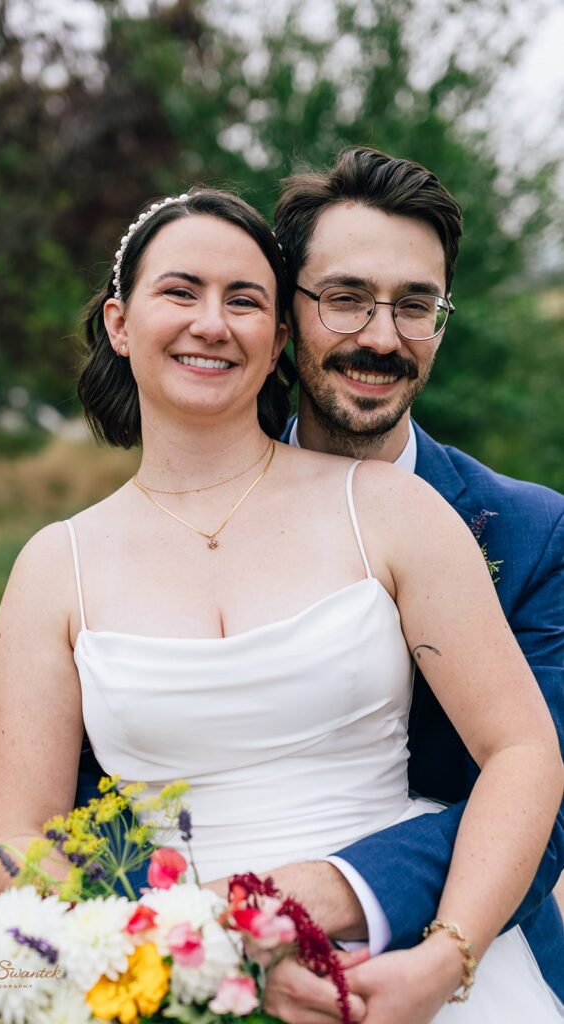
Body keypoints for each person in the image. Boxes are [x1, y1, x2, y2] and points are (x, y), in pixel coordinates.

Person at [0, 187, 563, 1023]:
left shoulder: (393, 511)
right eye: (180, 292)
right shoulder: (54, 565)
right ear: (118, 322)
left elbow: (526, 752)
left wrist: (446, 954)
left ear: (275, 335)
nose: (211, 323)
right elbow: (20, 837)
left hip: (400, 954)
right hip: (166, 955)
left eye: (243, 299)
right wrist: (193, 951)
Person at [256, 146, 564, 1023]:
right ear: (286, 312)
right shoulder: (188, 515)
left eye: (415, 306)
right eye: (346, 298)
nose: (382, 338)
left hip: (469, 960)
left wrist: (345, 900)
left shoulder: (533, 531)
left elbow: (551, 794)